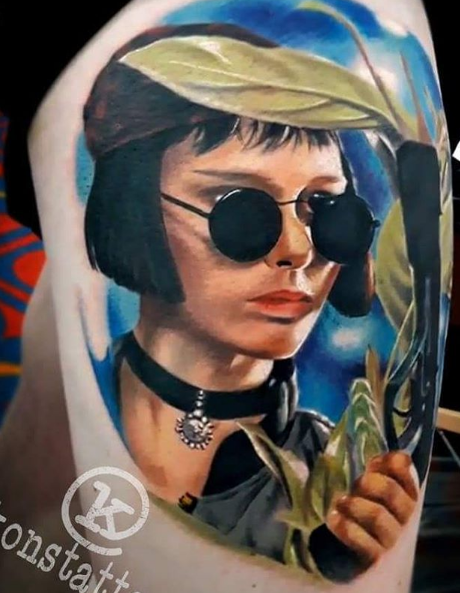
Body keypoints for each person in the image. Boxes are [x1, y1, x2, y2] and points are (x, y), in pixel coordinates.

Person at [0, 1, 451, 592]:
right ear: (134, 211)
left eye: (326, 210)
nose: (298, 250)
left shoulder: (344, 482)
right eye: (240, 209)